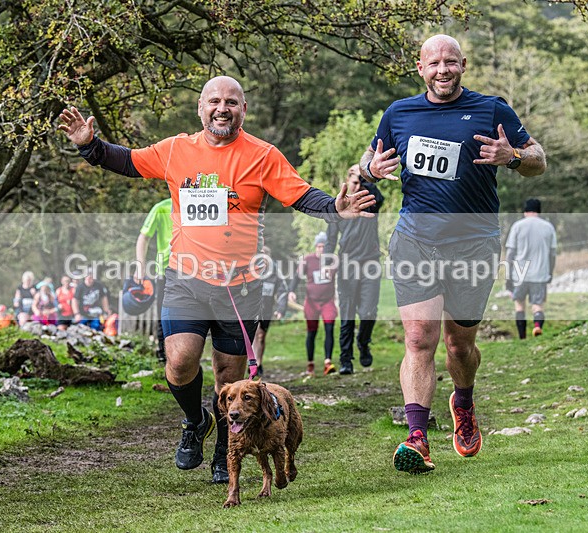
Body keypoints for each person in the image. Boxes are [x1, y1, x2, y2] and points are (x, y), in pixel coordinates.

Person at [58, 75, 374, 485]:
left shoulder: (262, 155)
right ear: (201, 109)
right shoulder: (175, 150)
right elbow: (127, 161)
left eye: (231, 102)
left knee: (230, 379)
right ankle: (195, 420)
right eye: (214, 101)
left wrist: (335, 206)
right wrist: (90, 145)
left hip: (241, 287)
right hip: (186, 280)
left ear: (243, 110)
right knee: (179, 361)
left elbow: (299, 194)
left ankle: (227, 452)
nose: (222, 108)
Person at [360, 34, 547, 474]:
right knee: (418, 339)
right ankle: (417, 437)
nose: (442, 70)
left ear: (463, 64)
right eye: (433, 63)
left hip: (473, 243)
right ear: (420, 68)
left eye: (450, 62)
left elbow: (539, 158)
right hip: (415, 241)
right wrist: (371, 169)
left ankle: (463, 402)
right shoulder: (399, 113)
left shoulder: (492, 108)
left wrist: (513, 156)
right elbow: (366, 162)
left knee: (458, 346)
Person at [326, 164, 384, 375]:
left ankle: (363, 341)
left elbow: (378, 195)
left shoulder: (370, 202)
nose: (359, 184)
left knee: (368, 311)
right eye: (355, 180)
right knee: (348, 314)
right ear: (347, 180)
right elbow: (331, 239)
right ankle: (345, 360)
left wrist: (365, 173)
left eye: (362, 181)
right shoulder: (338, 206)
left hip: (370, 263)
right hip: (347, 265)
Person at [288, 231, 338, 377]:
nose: (322, 249)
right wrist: (291, 290)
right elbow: (297, 277)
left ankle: (328, 363)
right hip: (311, 302)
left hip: (328, 301)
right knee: (312, 332)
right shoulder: (308, 260)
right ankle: (310, 365)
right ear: (316, 247)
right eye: (320, 246)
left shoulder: (333, 260)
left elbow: (343, 280)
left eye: (325, 247)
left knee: (329, 328)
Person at [505, 198, 557, 339]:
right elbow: (552, 254)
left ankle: (522, 338)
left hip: (519, 274)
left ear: (525, 211)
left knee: (520, 305)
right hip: (540, 274)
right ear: (539, 211)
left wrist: (508, 276)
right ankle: (537, 327)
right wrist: (550, 272)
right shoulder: (548, 227)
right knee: (538, 306)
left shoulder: (517, 226)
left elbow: (510, 254)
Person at [134, 198, 174, 363]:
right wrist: (140, 266)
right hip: (165, 269)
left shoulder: (196, 202)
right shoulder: (161, 208)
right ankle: (162, 354)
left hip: (192, 269)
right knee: (163, 313)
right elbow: (143, 237)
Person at [251, 246, 288, 378]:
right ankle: (252, 363)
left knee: (261, 336)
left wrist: (280, 309)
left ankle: (259, 363)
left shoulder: (274, 273)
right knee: (254, 333)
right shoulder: (251, 271)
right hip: (251, 309)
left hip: (266, 309)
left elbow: (283, 291)